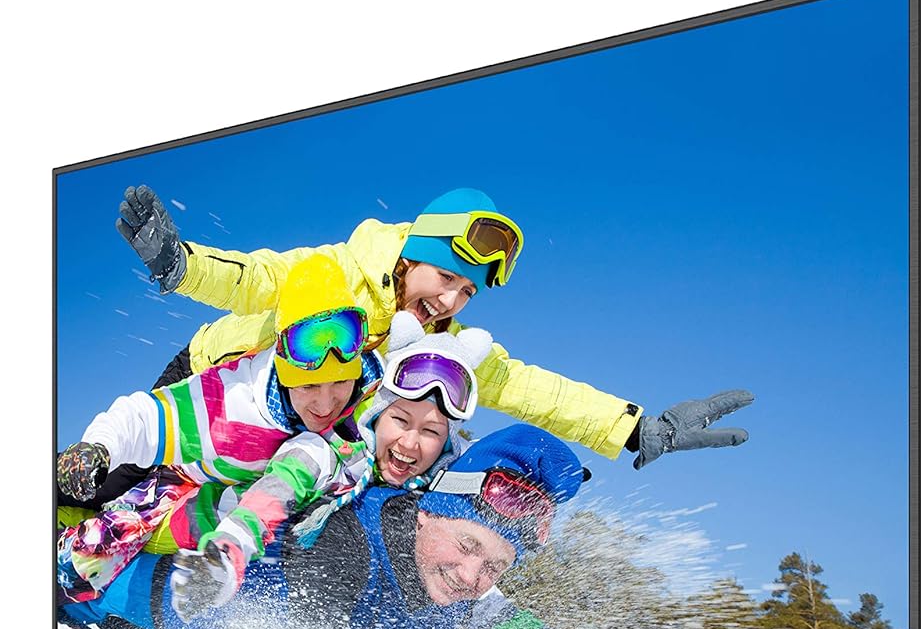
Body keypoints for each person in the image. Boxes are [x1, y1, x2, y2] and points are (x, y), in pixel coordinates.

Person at [61, 425, 693, 629]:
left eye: (496, 566)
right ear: (427, 512)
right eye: (467, 546)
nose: (473, 577)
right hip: (133, 597)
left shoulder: (453, 580)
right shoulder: (350, 543)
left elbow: (499, 622)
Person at [116, 184, 754, 471]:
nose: (451, 299)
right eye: (446, 277)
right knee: (131, 464)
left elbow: (528, 388)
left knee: (209, 501)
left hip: (294, 421)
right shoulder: (339, 270)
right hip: (213, 376)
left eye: (467, 291)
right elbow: (256, 278)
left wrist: (632, 426)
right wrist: (181, 264)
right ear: (411, 255)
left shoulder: (443, 345)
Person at [56, 254, 378, 603]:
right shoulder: (232, 401)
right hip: (181, 477)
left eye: (339, 383)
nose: (326, 405)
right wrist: (99, 446)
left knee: (191, 527)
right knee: (85, 561)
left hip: (227, 503)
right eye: (309, 387)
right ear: (286, 376)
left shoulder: (374, 394)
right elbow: (147, 417)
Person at [170, 310, 494, 619]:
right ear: (376, 416)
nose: (410, 443)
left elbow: (473, 562)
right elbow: (272, 495)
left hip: (284, 585)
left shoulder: (433, 491)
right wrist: (228, 553)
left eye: (431, 431)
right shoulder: (325, 452)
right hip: (200, 531)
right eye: (400, 420)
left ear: (446, 444)